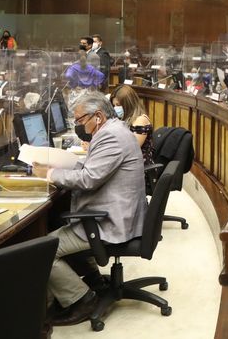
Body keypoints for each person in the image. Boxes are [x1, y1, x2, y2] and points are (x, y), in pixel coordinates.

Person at [31, 92, 147, 328]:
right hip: (118, 213)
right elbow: (94, 168)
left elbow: (89, 179)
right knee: (58, 222)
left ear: (98, 116)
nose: (79, 125)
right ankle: (93, 279)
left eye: (81, 120)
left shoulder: (111, 136)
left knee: (41, 249)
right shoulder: (114, 130)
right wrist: (64, 166)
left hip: (111, 221)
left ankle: (82, 299)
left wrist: (50, 174)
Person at [110, 84, 155, 164]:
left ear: (128, 104)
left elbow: (131, 150)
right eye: (114, 105)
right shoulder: (124, 119)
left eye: (118, 105)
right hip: (126, 163)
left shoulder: (140, 120)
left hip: (140, 167)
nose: (115, 108)